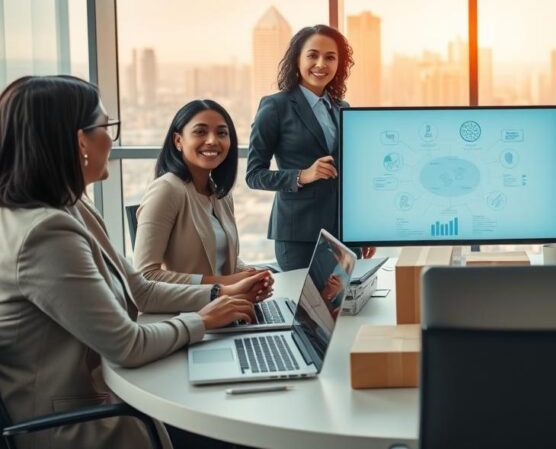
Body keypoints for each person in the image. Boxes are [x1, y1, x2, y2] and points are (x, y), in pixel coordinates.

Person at [0, 76, 271, 448]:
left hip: (110, 395)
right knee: (244, 432)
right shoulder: (45, 235)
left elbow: (138, 289)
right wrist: (204, 320)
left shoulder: (73, 205)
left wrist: (216, 294)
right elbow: (127, 345)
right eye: (106, 127)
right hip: (81, 420)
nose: (112, 139)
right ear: (81, 140)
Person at [246, 24, 374, 271]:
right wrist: (303, 175)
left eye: (330, 57)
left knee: (349, 306)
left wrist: (363, 229)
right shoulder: (275, 107)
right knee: (307, 308)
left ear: (339, 64)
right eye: (312, 55)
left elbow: (353, 176)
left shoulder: (342, 107)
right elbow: (254, 175)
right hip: (299, 236)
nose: (321, 64)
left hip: (345, 235)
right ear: (297, 59)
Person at [134, 99, 262, 285]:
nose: (212, 141)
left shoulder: (220, 194)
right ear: (178, 140)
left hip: (226, 306)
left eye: (222, 133)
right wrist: (225, 284)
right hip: (189, 311)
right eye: (200, 132)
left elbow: (220, 257)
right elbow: (145, 275)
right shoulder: (166, 190)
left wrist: (249, 274)